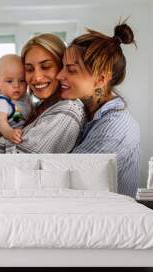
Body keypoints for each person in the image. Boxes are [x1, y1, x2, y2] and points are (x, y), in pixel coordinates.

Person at [57, 21, 140, 197]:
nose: (59, 75)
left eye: (71, 70)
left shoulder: (116, 127)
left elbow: (66, 181)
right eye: (62, 67)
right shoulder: (86, 115)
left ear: (100, 79)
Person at [0, 33, 85, 154]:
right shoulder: (41, 106)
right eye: (29, 69)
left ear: (62, 67)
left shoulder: (67, 111)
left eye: (46, 66)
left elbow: (17, 160)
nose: (37, 77)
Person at [0, 54, 31, 145]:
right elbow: (1, 122)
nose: (16, 85)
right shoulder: (0, 101)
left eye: (22, 81)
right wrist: (9, 133)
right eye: (9, 81)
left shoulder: (26, 97)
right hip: (9, 140)